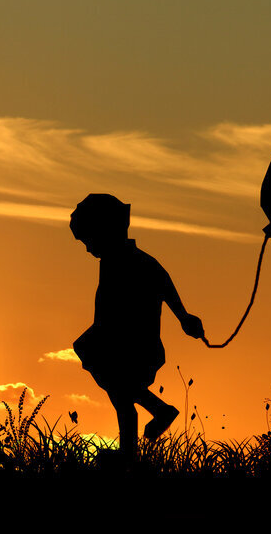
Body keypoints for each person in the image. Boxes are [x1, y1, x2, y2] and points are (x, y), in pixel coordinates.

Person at [70, 193, 204, 461]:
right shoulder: (114, 261)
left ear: (105, 231)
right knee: (121, 398)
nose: (87, 248)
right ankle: (130, 452)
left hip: (135, 346)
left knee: (120, 392)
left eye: (88, 240)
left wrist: (183, 316)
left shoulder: (133, 260)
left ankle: (156, 416)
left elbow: (164, 284)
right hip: (113, 341)